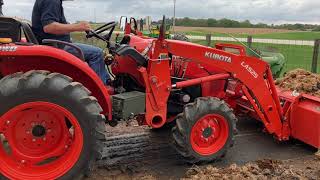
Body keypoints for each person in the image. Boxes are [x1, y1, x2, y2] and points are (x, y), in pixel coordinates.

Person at [32, 0, 110, 84]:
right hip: (57, 46)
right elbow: (49, 27)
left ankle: (108, 82)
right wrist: (78, 26)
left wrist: (68, 25)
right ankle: (100, 88)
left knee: (94, 52)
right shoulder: (52, 1)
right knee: (97, 53)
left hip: (55, 43)